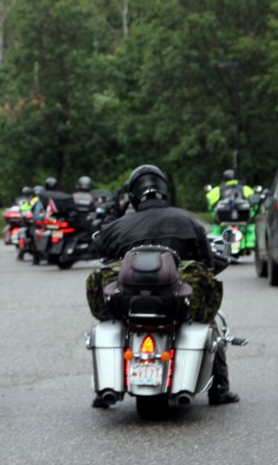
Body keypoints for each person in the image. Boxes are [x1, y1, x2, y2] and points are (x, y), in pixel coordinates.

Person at [93, 164, 239, 406]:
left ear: (133, 196)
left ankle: (104, 394)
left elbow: (98, 248)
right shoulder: (187, 221)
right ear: (165, 191)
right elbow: (207, 263)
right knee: (210, 324)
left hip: (129, 301)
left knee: (112, 322)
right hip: (175, 301)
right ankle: (219, 390)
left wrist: (115, 213)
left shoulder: (120, 226)